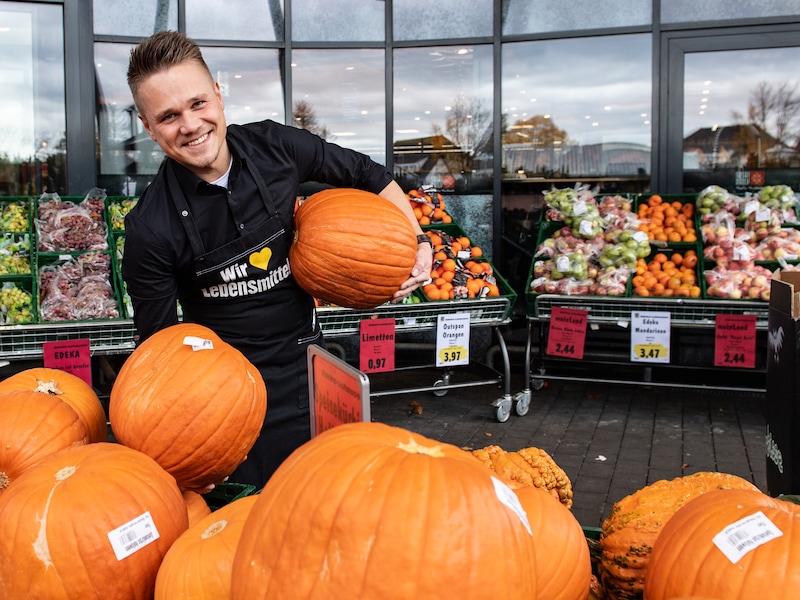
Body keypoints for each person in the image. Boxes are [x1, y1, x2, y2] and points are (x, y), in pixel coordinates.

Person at [123, 30, 432, 490]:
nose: (190, 124)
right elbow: (159, 353)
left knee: (330, 505)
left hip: (311, 370)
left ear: (219, 96)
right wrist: (188, 450)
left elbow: (369, 175)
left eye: (197, 103)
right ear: (150, 128)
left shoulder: (277, 148)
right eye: (168, 116)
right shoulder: (150, 228)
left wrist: (418, 238)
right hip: (226, 404)